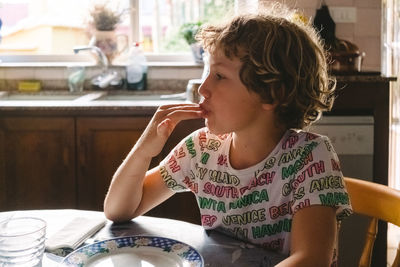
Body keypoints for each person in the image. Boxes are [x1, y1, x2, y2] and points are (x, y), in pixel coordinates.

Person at [104, 7, 352, 267]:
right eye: (207, 72)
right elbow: (119, 210)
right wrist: (145, 150)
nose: (203, 88)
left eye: (220, 76)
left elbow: (311, 259)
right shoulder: (200, 149)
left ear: (270, 94)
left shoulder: (310, 157)